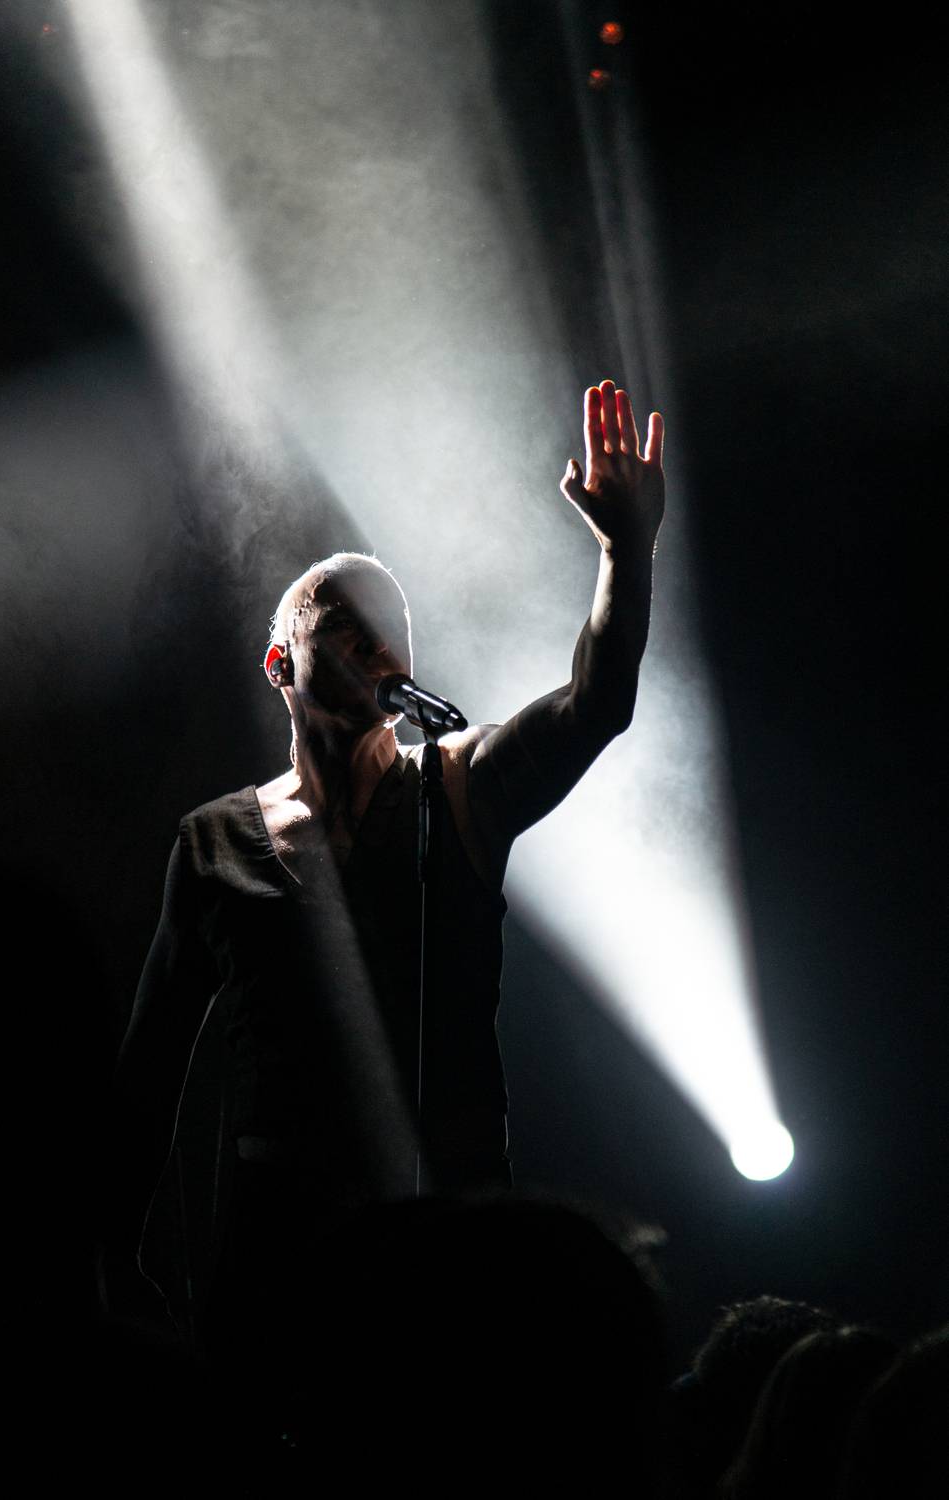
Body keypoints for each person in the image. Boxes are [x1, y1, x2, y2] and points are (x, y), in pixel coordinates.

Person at [101, 380, 665, 1348]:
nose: (376, 641)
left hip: (454, 1236)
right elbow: (150, 1065)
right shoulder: (214, 842)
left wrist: (626, 553)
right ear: (280, 664)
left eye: (391, 625)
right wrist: (116, 1253)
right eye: (345, 623)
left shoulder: (461, 783)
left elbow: (595, 702)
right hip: (282, 1245)